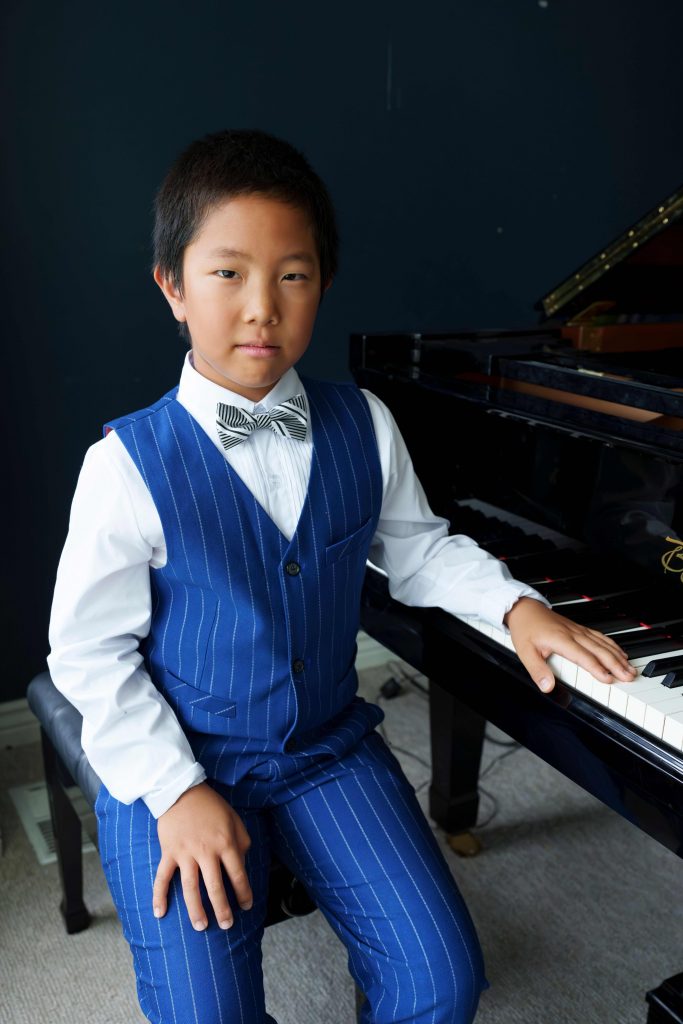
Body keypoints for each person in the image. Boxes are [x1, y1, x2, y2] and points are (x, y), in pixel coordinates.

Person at [47, 128, 636, 1024]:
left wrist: (515, 606)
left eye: (293, 275)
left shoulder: (363, 420)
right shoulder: (126, 465)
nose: (261, 307)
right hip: (178, 758)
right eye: (227, 273)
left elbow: (418, 548)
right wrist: (175, 790)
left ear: (321, 283)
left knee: (440, 982)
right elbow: (88, 655)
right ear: (171, 286)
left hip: (326, 747)